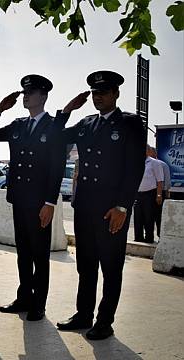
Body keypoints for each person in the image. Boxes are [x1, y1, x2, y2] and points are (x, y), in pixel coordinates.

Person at [56, 70, 146, 340]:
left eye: (104, 93)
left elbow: (134, 166)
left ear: (116, 93)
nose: (98, 97)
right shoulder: (86, 123)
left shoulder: (129, 123)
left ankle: (104, 322)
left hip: (111, 209)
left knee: (111, 267)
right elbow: (58, 136)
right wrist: (68, 109)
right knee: (86, 265)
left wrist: (122, 206)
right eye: (95, 93)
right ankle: (83, 315)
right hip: (85, 206)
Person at [0, 74, 66, 321]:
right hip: (19, 199)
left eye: (31, 92)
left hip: (41, 202)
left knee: (40, 255)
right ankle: (24, 297)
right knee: (24, 253)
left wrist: (50, 202)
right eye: (24, 92)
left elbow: (57, 166)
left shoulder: (53, 127)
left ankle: (38, 304)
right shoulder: (18, 125)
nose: (25, 96)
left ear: (44, 96)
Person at [134, 145, 164, 243]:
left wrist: (159, 195)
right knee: (137, 217)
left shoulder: (154, 163)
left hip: (150, 194)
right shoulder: (136, 162)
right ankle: (138, 238)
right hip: (137, 194)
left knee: (149, 217)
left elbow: (160, 180)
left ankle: (149, 238)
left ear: (147, 151)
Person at [149, 146, 170, 238]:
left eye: (149, 151)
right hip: (149, 194)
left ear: (154, 153)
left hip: (160, 193)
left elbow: (167, 181)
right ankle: (149, 235)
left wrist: (162, 193)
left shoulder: (162, 164)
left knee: (159, 215)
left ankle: (160, 235)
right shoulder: (145, 164)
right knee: (149, 215)